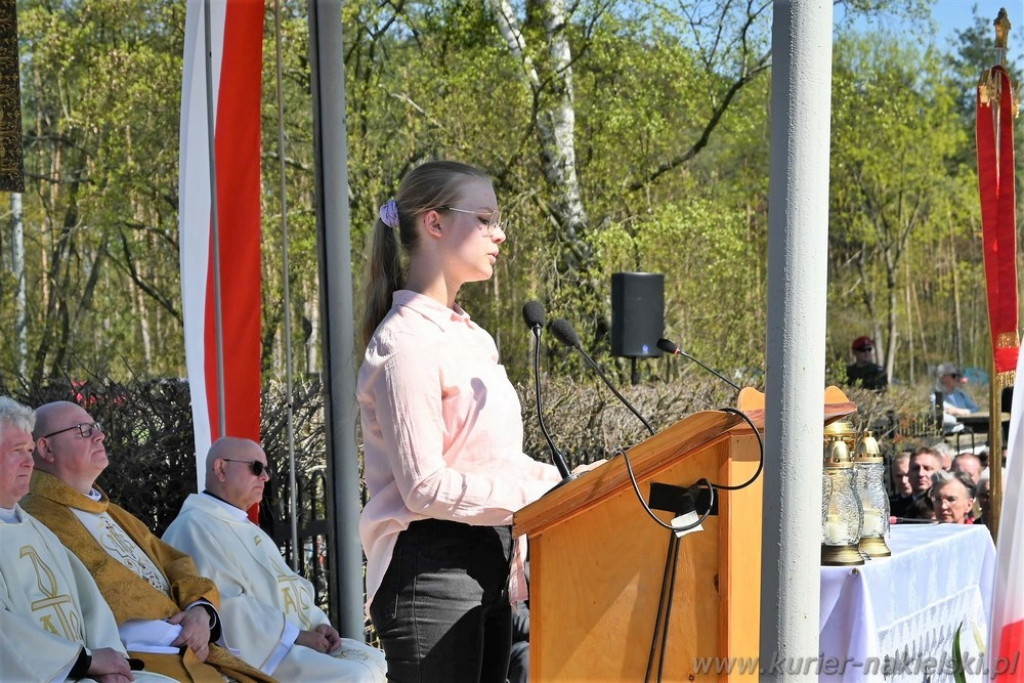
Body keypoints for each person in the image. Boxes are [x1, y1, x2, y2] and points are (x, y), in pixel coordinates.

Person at [357, 160, 569, 681]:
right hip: (431, 570)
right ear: (434, 224)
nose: (499, 234)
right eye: (485, 218)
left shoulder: (473, 337)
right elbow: (424, 486)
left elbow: (492, 461)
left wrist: (564, 484)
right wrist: (533, 497)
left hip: (490, 560)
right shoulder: (405, 342)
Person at [21, 400, 273, 683]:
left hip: (188, 651)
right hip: (141, 662)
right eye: (83, 430)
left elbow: (176, 562)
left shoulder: (113, 513)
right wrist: (181, 632)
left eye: (97, 427)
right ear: (46, 449)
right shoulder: (36, 520)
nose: (99, 435)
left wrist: (200, 611)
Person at [162, 437, 387, 681]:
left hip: (294, 643)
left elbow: (288, 586)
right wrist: (294, 636)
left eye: (266, 470)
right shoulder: (195, 527)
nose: (265, 477)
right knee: (357, 676)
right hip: (266, 654)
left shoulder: (246, 527)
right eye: (256, 468)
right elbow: (222, 605)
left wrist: (318, 624)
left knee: (383, 664)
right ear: (221, 468)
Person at [0, 396, 176, 682]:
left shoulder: (36, 530)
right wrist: (84, 663)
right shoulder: (46, 519)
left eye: (29, 450)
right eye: (17, 450)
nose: (28, 461)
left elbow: (92, 607)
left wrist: (111, 663)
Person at [932, 362, 979, 432]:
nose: (956, 378)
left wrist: (961, 411)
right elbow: (940, 418)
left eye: (957, 375)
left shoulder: (961, 394)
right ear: (943, 378)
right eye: (953, 375)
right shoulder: (935, 397)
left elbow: (975, 409)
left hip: (965, 432)